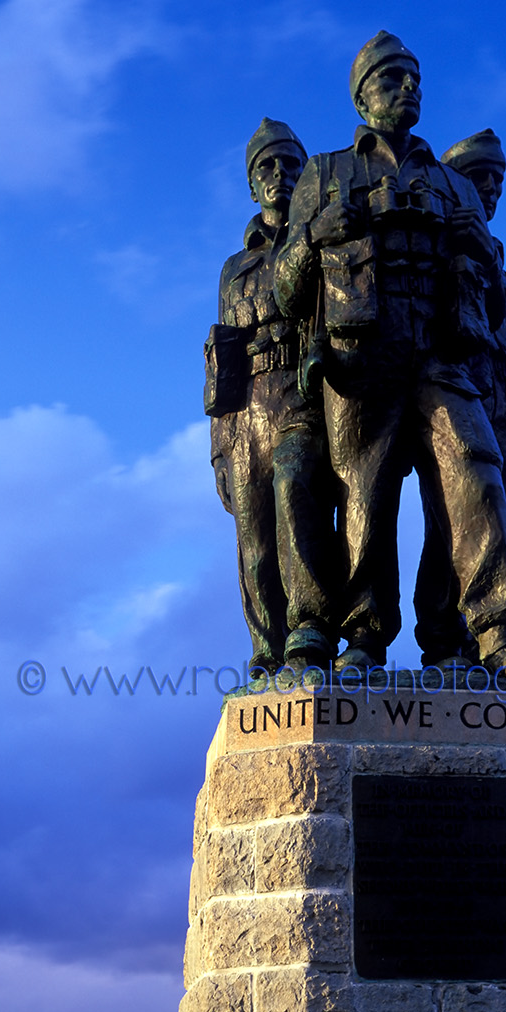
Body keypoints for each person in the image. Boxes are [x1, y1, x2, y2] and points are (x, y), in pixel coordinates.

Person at [274, 32, 506, 679]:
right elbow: (286, 288)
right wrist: (312, 236)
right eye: (392, 79)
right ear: (362, 94)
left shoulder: (453, 186)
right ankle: (364, 637)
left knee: (475, 469)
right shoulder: (326, 172)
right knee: (365, 497)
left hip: (441, 353)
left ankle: (495, 635)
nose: (408, 89)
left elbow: (500, 309)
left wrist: (478, 243)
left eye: (414, 79)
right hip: (361, 354)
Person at [413, 129, 506, 666]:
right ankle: (446, 642)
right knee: (451, 524)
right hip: (451, 403)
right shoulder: (435, 261)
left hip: (505, 425)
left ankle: (478, 650)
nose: (489, 189)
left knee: (505, 528)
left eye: (497, 181)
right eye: (478, 179)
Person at [207, 118, 337, 677]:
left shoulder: (321, 236)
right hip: (245, 413)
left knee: (294, 484)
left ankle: (310, 631)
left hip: (301, 395)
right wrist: (218, 450)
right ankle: (266, 648)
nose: (279, 174)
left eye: (289, 163)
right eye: (267, 165)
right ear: (252, 181)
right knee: (254, 537)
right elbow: (222, 356)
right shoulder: (233, 268)